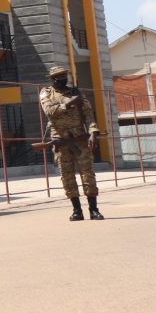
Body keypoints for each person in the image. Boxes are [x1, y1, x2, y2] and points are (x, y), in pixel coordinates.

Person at [40, 65, 104, 221]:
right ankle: (77, 210)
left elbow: (88, 115)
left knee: (88, 174)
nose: (63, 79)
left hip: (80, 139)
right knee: (67, 175)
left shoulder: (76, 92)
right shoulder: (46, 93)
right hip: (61, 140)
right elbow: (49, 111)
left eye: (64, 75)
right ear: (53, 79)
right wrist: (69, 103)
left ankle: (93, 209)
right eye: (59, 76)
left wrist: (93, 133)